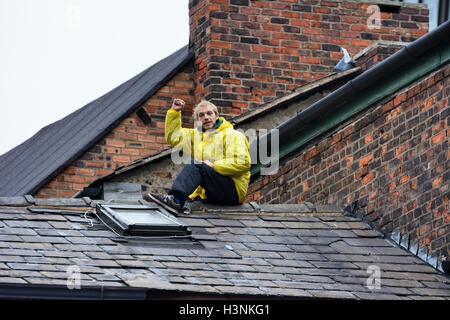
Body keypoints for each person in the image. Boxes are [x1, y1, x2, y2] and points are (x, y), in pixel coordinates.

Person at [146, 98, 251, 214]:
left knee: (196, 164)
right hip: (208, 193)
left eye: (209, 113)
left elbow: (243, 162)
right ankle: (181, 202)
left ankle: (175, 200)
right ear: (197, 120)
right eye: (201, 115)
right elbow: (173, 136)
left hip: (232, 191)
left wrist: (214, 165)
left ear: (217, 116)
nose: (206, 117)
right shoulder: (197, 137)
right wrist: (174, 112)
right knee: (186, 205)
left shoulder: (233, 135)